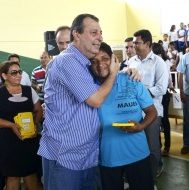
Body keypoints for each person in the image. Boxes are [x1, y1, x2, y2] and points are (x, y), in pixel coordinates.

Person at [37, 14, 139, 190]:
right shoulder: (67, 61)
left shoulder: (84, 64)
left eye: (100, 32)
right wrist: (115, 73)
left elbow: (101, 83)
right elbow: (96, 99)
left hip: (86, 155)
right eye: (93, 32)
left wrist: (127, 73)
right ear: (76, 35)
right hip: (65, 156)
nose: (99, 37)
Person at [91, 42, 156, 190]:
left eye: (105, 58)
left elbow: (152, 111)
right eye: (94, 61)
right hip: (108, 157)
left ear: (113, 59)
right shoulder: (89, 88)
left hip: (138, 153)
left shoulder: (131, 80)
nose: (100, 64)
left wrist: (141, 126)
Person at [0, 61, 43, 190]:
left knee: (31, 174)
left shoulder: (29, 91)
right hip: (7, 141)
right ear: (4, 76)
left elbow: (39, 110)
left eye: (20, 71)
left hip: (29, 138)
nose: (19, 75)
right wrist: (11, 125)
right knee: (12, 176)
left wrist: (35, 124)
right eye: (14, 72)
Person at [129, 29, 169, 188]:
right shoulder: (132, 61)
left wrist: (141, 91)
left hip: (153, 112)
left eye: (137, 43)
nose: (134, 45)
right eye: (134, 43)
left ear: (147, 44)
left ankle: (151, 176)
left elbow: (161, 89)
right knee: (135, 146)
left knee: (152, 147)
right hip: (133, 111)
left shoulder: (158, 63)